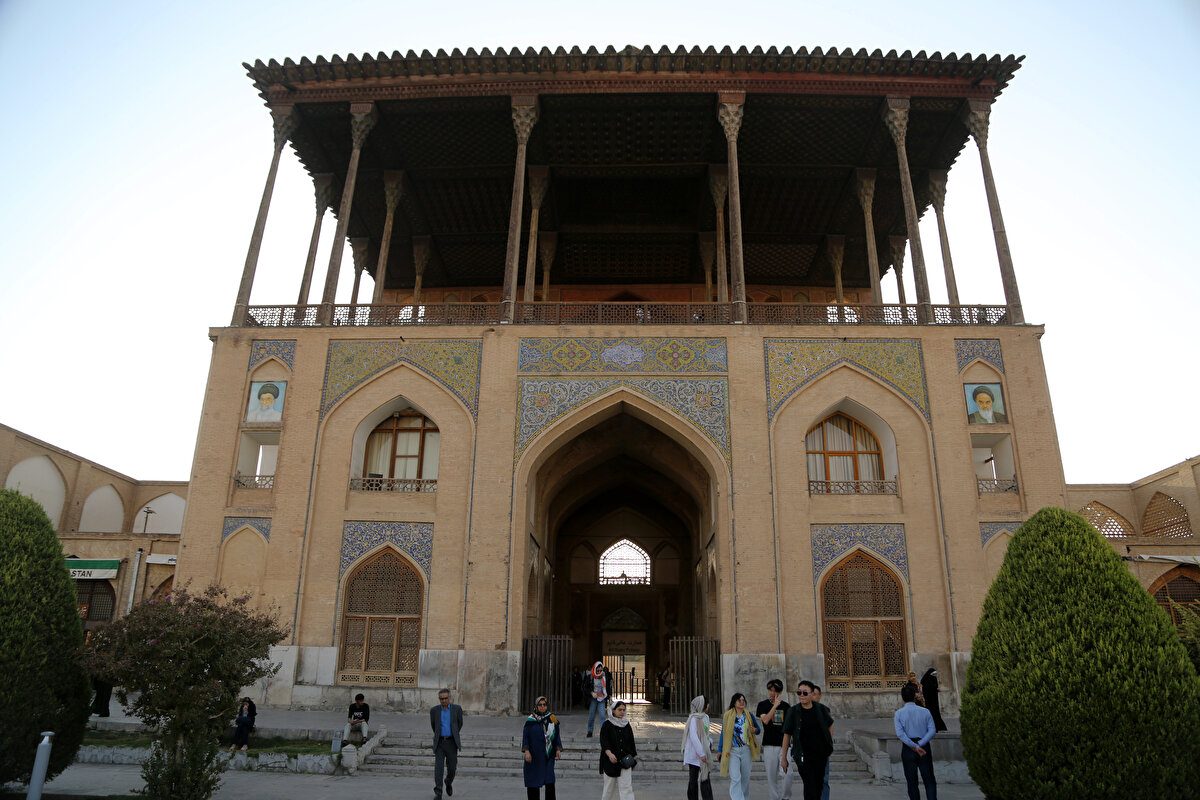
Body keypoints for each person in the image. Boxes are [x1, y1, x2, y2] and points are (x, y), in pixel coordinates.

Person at [780, 680, 834, 800]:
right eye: (799, 693)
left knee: (818, 786)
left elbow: (830, 724)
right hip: (803, 756)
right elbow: (787, 735)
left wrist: (828, 743)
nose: (801, 695)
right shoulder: (793, 711)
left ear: (812, 694)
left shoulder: (821, 709)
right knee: (810, 785)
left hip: (820, 755)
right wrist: (784, 758)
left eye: (805, 693)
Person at [894, 683, 938, 800]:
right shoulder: (925, 711)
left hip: (908, 748)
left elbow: (900, 734)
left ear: (902, 698)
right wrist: (920, 744)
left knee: (912, 781)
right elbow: (932, 730)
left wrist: (914, 746)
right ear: (915, 696)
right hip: (923, 746)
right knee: (929, 779)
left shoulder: (899, 713)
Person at [717, 692, 761, 800]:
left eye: (743, 700)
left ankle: (744, 798)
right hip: (733, 750)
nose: (742, 702)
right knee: (735, 777)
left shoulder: (749, 715)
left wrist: (754, 730)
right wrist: (720, 749)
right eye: (739, 700)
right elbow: (723, 733)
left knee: (745, 778)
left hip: (746, 749)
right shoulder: (728, 716)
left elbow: (758, 730)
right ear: (734, 702)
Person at [757, 679, 795, 800]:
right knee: (771, 776)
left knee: (788, 774)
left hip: (784, 745)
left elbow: (789, 727)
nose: (773, 693)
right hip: (769, 744)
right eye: (771, 690)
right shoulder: (762, 705)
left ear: (781, 692)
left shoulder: (786, 707)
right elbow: (765, 720)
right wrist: (774, 706)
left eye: (776, 691)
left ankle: (786, 797)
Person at [523, 695, 563, 800]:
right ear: (536, 706)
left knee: (549, 780)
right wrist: (527, 751)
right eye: (540, 705)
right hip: (534, 756)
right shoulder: (530, 720)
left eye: (544, 705)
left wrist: (558, 749)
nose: (542, 707)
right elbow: (526, 736)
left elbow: (556, 734)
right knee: (533, 781)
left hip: (548, 755)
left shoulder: (552, 718)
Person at [599, 700, 637, 800]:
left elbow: (631, 742)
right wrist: (610, 754)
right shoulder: (607, 725)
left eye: (624, 710)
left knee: (626, 788)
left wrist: (633, 759)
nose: (622, 712)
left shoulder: (626, 724)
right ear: (613, 710)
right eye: (619, 710)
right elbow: (604, 742)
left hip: (625, 761)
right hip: (610, 761)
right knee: (608, 789)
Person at [430, 688, 464, 798]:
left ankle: (448, 782)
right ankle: (438, 792)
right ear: (439, 699)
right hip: (440, 743)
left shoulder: (457, 709)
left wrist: (453, 733)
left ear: (449, 698)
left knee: (452, 769)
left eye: (445, 698)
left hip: (451, 743)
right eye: (441, 699)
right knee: (438, 769)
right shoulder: (434, 710)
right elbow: (433, 725)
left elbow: (459, 724)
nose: (443, 701)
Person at [681, 695, 714, 800]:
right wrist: (701, 753)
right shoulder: (693, 719)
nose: (708, 706)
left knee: (705, 778)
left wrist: (709, 742)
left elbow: (706, 734)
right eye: (706, 704)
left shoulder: (706, 717)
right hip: (695, 754)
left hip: (704, 751)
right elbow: (694, 737)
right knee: (693, 780)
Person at [810, 686, 831, 800]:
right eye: (811, 694)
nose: (812, 696)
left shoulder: (825, 710)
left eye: (815, 694)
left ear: (820, 696)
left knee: (824, 780)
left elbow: (829, 729)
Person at [919, 668, 947, 732]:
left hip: (934, 700)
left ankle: (938, 727)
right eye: (933, 674)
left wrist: (936, 689)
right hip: (929, 700)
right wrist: (935, 689)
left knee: (935, 713)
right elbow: (928, 689)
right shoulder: (927, 680)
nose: (934, 676)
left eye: (935, 674)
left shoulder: (933, 679)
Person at [587, 660, 609, 737]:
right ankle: (590, 731)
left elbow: (607, 687)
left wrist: (608, 696)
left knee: (602, 716)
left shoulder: (604, 677)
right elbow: (585, 687)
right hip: (593, 699)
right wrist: (591, 693)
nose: (599, 672)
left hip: (601, 698)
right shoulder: (590, 677)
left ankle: (603, 732)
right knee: (591, 716)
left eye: (600, 670)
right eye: (598, 670)